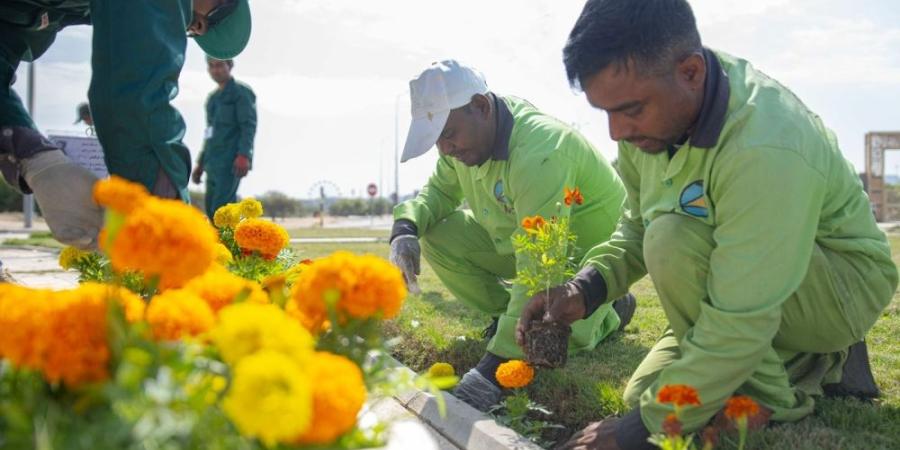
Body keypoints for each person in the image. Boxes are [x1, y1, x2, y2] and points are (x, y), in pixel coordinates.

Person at [516, 1, 899, 449]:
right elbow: (636, 227)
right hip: (741, 278)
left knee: (672, 245)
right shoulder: (649, 128)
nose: (616, 132)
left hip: (839, 285)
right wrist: (584, 290)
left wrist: (637, 431)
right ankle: (813, 360)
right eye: (606, 112)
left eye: (630, 109)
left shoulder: (766, 146)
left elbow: (738, 316)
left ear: (691, 73)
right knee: (643, 395)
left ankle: (772, 394)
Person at [389, 60, 636, 412]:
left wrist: (493, 370)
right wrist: (405, 229)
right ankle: (510, 320)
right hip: (515, 239)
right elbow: (439, 195)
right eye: (437, 140)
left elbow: (540, 264)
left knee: (562, 332)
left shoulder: (541, 150)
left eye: (448, 134)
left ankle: (608, 312)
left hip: (584, 256)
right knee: (438, 234)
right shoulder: (461, 148)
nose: (445, 149)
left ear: (481, 106)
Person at [0, 0, 252, 252]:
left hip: (226, 160)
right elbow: (136, 97)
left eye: (196, 30)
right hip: (212, 162)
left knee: (223, 210)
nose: (195, 25)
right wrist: (161, 219)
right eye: (216, 13)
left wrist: (32, 153)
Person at [191, 57, 257, 219]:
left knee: (223, 209)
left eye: (220, 65)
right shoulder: (212, 99)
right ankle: (222, 244)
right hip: (212, 163)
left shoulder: (241, 93)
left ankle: (232, 243)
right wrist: (200, 163)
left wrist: (244, 155)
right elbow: (209, 133)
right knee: (211, 209)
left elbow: (248, 126)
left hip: (231, 161)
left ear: (230, 66)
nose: (215, 70)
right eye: (211, 66)